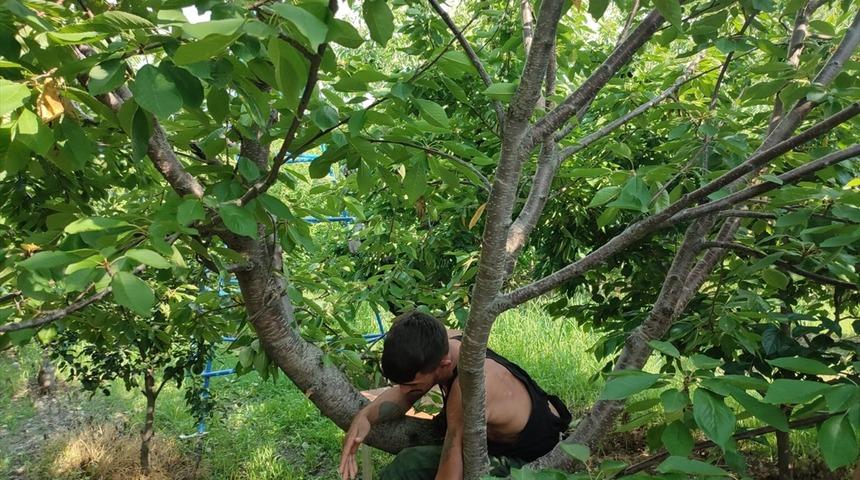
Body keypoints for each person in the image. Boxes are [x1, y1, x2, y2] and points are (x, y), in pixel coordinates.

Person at [338, 311, 571, 480]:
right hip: (497, 442)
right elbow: (404, 392)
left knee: (408, 466)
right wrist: (365, 416)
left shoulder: (469, 389)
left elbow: (452, 466)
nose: (406, 391)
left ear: (443, 365)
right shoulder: (445, 342)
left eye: (413, 384)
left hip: (531, 462)